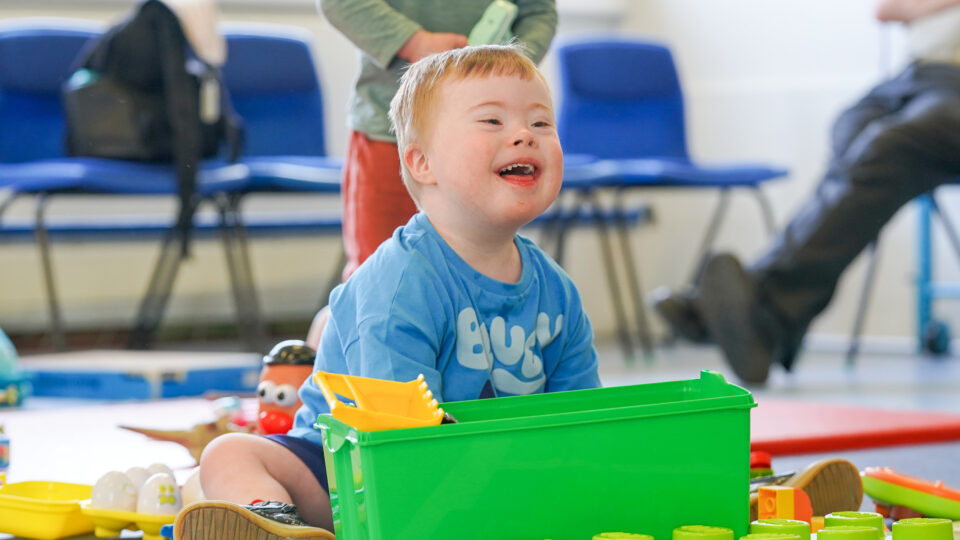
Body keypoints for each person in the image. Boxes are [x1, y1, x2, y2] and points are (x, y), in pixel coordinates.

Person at [174, 44, 601, 539]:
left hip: (490, 476)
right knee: (231, 453)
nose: (525, 135)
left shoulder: (559, 293)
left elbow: (582, 424)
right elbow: (400, 440)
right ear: (422, 162)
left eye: (542, 123)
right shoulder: (400, 282)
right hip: (346, 473)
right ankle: (272, 519)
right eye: (492, 122)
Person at [651, 0, 960, 385]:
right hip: (919, 77)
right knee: (852, 131)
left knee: (887, 146)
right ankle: (770, 315)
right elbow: (886, 8)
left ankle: (766, 309)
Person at [317, 0, 558, 281]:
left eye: (541, 123)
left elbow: (539, 12)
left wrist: (500, 72)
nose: (528, 137)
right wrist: (414, 42)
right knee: (379, 276)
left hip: (491, 135)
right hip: (387, 134)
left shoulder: (552, 285)